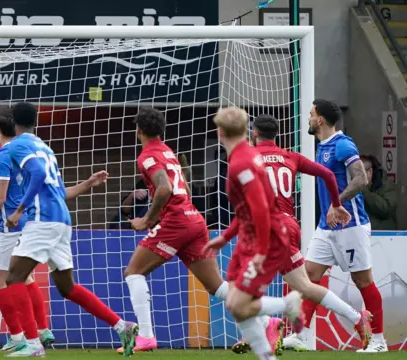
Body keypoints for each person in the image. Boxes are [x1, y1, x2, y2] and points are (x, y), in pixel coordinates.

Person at [0, 102, 138, 357]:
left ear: (13, 122)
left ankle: (34, 345)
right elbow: (59, 191)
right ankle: (122, 326)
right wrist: (89, 183)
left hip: (43, 220)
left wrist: (18, 210)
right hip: (61, 221)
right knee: (66, 287)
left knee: (12, 277)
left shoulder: (17, 145)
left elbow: (36, 174)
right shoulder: (44, 147)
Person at [0, 107, 110, 352]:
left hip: (14, 223)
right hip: (34, 221)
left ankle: (20, 337)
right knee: (28, 278)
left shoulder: (6, 154)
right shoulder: (33, 149)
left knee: (0, 280)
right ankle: (43, 330)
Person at [229, 114, 372, 354]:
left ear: (254, 134)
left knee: (238, 285)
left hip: (268, 229)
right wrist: (336, 204)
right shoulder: (290, 156)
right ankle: (358, 319)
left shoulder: (247, 159)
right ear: (276, 134)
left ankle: (267, 326)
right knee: (304, 286)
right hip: (289, 227)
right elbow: (327, 175)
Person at [120, 107, 229, 353]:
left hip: (178, 221)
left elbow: (165, 188)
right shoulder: (168, 151)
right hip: (194, 219)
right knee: (216, 286)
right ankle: (266, 321)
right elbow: (184, 189)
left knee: (133, 272)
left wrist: (148, 219)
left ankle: (146, 337)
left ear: (138, 131)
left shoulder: (147, 156)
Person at [282, 100, 387, 353]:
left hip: (350, 224)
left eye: (311, 114)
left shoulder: (343, 144)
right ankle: (301, 335)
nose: (308, 118)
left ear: (320, 120)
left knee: (363, 281)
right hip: (326, 228)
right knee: (309, 277)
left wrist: (336, 203)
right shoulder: (322, 146)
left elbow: (361, 179)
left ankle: (379, 341)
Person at [204, 107, 304, 360]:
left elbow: (260, 207)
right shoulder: (245, 155)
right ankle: (265, 356)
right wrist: (226, 238)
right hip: (250, 236)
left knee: (239, 304)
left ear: (220, 132)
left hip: (266, 239)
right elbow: (247, 209)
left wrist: (260, 251)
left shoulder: (241, 163)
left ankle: (287, 305)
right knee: (235, 305)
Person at [360, 154, 397, 230]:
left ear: (369, 172)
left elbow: (387, 210)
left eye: (358, 174)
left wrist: (363, 190)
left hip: (382, 234)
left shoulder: (385, 185)